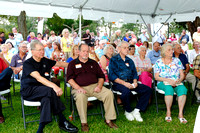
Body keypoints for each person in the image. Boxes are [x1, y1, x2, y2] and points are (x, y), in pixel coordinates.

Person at [20, 40, 78, 133]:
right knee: (51, 90)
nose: (42, 52)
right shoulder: (28, 63)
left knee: (46, 99)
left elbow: (59, 63)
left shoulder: (44, 60)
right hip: (29, 90)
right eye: (39, 50)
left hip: (42, 90)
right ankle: (62, 120)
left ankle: (40, 129)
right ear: (32, 51)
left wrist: (74, 65)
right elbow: (38, 78)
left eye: (43, 49)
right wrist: (54, 86)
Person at [67, 43, 118, 132]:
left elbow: (101, 77)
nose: (86, 53)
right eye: (83, 51)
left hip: (95, 86)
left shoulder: (93, 63)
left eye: (87, 51)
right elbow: (70, 79)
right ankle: (84, 123)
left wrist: (99, 86)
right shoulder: (72, 64)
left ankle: (109, 120)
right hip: (79, 87)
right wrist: (78, 88)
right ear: (78, 52)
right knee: (80, 97)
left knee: (108, 93)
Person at [109, 41, 152, 122]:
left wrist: (135, 82)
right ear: (119, 49)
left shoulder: (130, 60)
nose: (127, 49)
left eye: (127, 48)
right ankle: (128, 111)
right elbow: (112, 75)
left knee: (147, 90)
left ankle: (137, 110)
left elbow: (135, 73)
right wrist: (124, 83)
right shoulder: (114, 60)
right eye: (124, 48)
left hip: (131, 82)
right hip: (119, 83)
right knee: (126, 91)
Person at [154, 43, 187, 123]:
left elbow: (182, 75)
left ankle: (180, 113)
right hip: (163, 81)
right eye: (169, 50)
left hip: (176, 81)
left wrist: (179, 80)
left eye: (172, 49)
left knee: (183, 89)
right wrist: (168, 80)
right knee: (169, 89)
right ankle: (168, 112)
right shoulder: (158, 62)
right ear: (164, 52)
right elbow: (156, 77)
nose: (172, 51)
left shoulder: (177, 60)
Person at [0, 53, 13, 124]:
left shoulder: (1, 60)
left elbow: (9, 68)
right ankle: (0, 115)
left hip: (3, 83)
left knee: (9, 69)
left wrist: (3, 58)